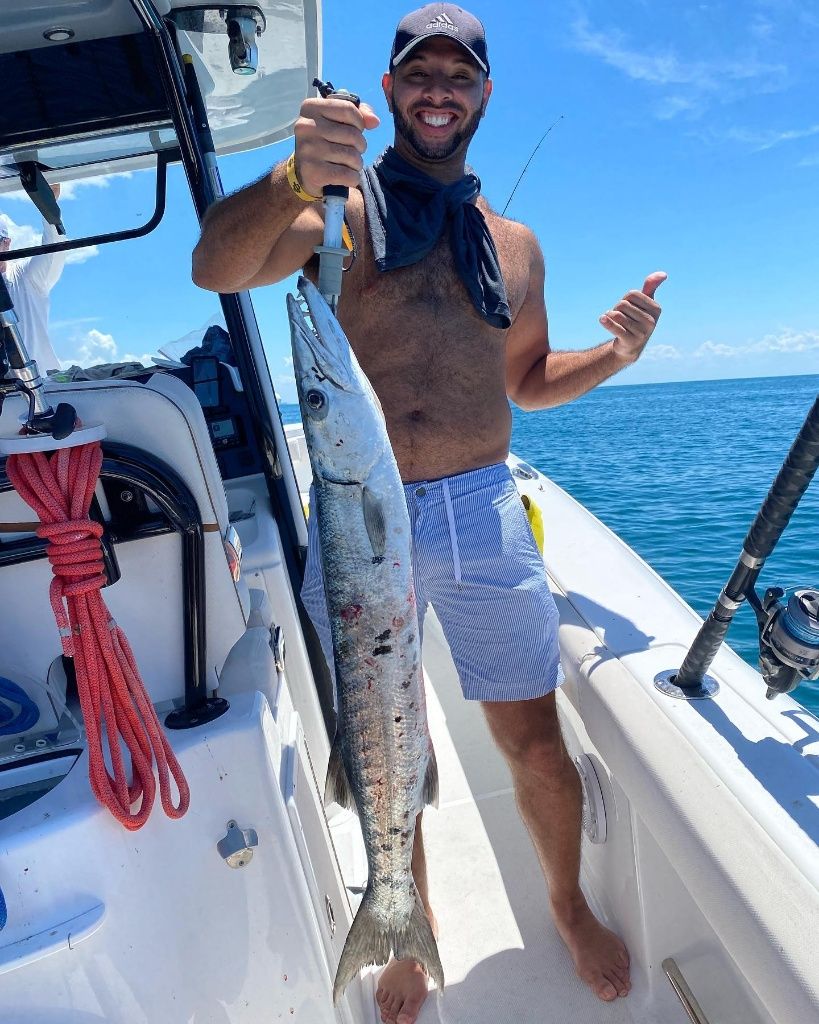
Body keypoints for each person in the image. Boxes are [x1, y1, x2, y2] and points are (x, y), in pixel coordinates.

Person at [192, 5, 666, 1022]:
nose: (438, 91)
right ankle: (410, 922)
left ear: (485, 94)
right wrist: (288, 173)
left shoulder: (518, 247)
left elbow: (530, 379)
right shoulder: (337, 209)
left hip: (482, 508)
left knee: (533, 738)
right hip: (366, 517)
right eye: (419, 74)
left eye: (459, 75)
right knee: (380, 740)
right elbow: (217, 267)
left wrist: (617, 358)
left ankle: (566, 903)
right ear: (392, 87)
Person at [0, 183, 65, 374]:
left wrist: (48, 203)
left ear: (7, 243)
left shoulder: (27, 277)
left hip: (38, 394)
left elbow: (54, 247)